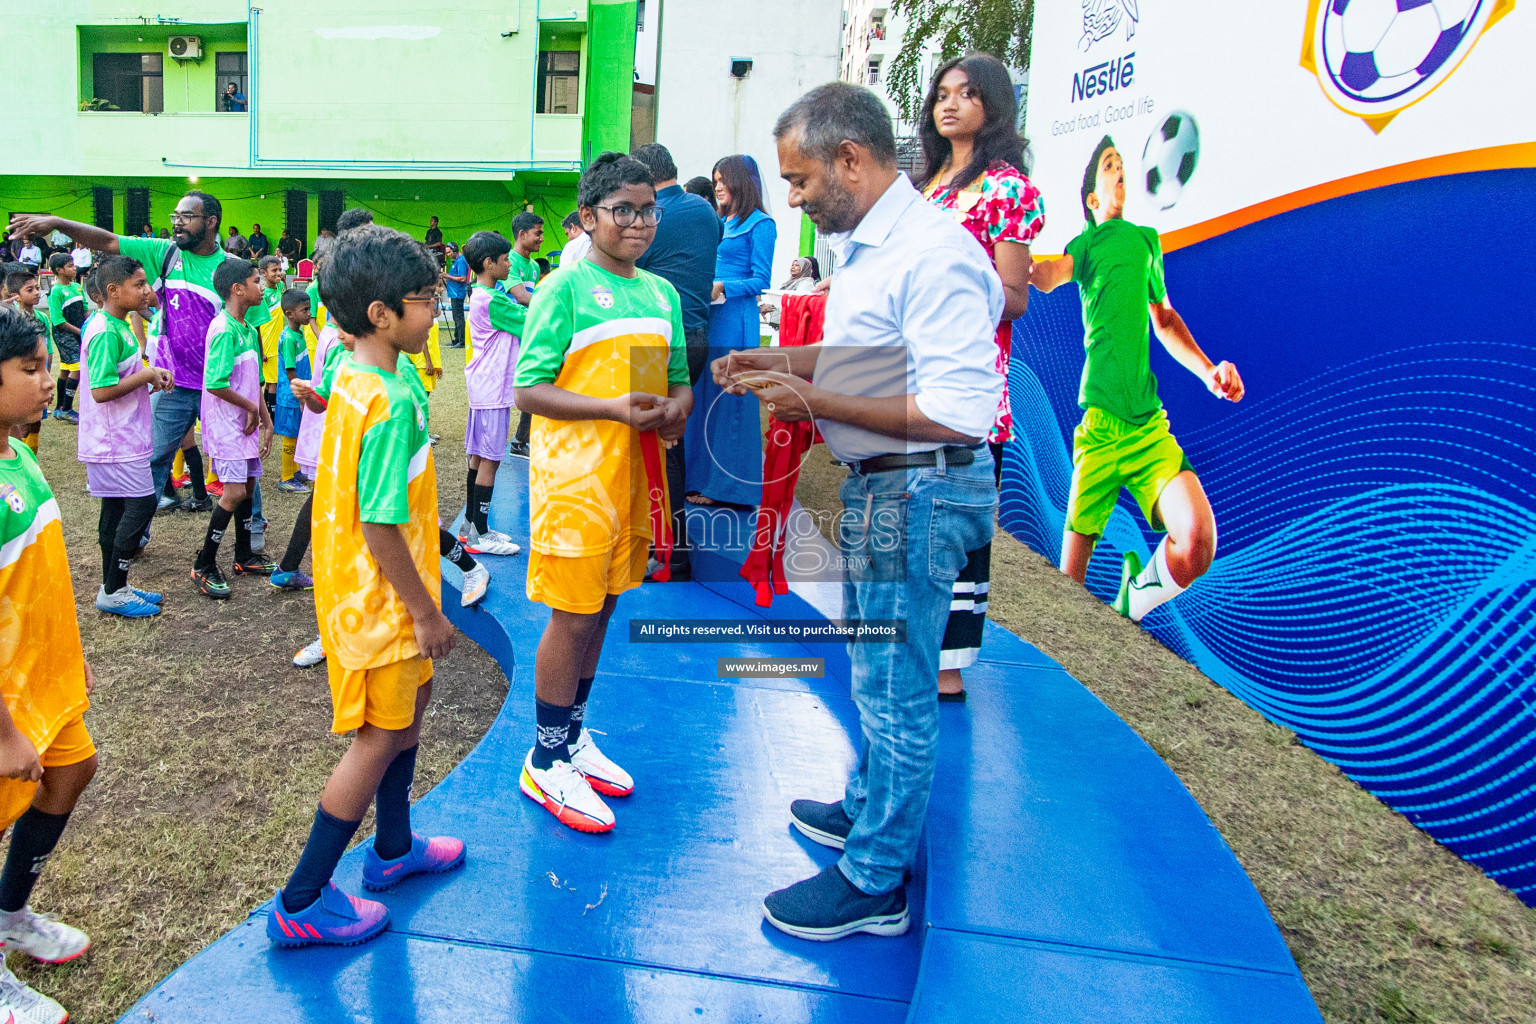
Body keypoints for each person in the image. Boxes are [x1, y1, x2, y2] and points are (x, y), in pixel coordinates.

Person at [724, 82, 1004, 941]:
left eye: (802, 179)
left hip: (920, 485)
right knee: (874, 667)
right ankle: (866, 806)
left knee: (894, 689)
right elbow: (865, 356)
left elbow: (959, 409)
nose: (795, 197)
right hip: (889, 484)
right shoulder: (876, 246)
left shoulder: (936, 254)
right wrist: (781, 356)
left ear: (851, 158)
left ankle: (876, 879)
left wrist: (812, 399)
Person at [266, 224, 465, 949]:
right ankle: (303, 896)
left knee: (408, 713)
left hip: (357, 593)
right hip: (385, 605)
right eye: (423, 299)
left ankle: (393, 849)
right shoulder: (391, 401)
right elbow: (382, 525)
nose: (434, 311)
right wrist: (426, 612)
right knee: (379, 739)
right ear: (381, 314)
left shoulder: (357, 374)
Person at [512, 151, 691, 833]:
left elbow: (668, 382)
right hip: (574, 483)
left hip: (633, 480)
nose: (641, 223)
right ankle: (544, 757)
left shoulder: (659, 294)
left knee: (607, 607)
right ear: (588, 217)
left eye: (649, 210)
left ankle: (574, 738)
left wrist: (677, 407)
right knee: (574, 615)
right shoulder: (566, 287)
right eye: (624, 211)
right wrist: (615, 410)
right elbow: (530, 388)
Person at [1031, 136, 1243, 623]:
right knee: (1068, 594)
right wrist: (1017, 253)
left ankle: (1136, 597)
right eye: (1110, 165)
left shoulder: (1146, 240)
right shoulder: (1086, 246)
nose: (1119, 169)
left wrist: (1210, 371)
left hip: (1149, 430)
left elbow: (1164, 320)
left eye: (1121, 163)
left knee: (1197, 543)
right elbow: (1049, 275)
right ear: (1092, 199)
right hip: (1100, 432)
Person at [8, 190, 264, 552]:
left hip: (220, 388)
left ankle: (252, 532)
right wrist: (56, 223)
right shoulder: (166, 253)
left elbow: (253, 343)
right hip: (173, 385)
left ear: (211, 222)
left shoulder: (234, 272)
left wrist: (257, 396)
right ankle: (134, 537)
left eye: (187, 216)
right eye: (175, 215)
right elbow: (109, 241)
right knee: (155, 459)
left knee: (244, 460)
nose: (177, 222)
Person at [915, 53, 1046, 701]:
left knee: (959, 529)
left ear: (992, 105)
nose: (951, 104)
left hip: (970, 390)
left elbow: (1015, 297)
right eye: (942, 93)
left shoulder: (1006, 188)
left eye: (967, 94)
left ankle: (949, 662)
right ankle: (903, 640)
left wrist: (948, 285)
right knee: (907, 518)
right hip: (907, 383)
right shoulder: (924, 186)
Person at [0, 307, 100, 1024]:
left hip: (45, 680)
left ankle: (11, 912)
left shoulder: (19, 450)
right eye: (30, 370)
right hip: (5, 703)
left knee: (74, 768)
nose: (49, 380)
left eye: (47, 366)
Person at [632, 141, 722, 581]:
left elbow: (627, 260)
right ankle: (669, 545)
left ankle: (669, 551)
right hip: (697, 332)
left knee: (659, 444)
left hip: (660, 338)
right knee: (671, 439)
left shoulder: (656, 218)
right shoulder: (704, 210)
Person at [79, 256, 175, 618]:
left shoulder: (115, 325)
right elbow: (102, 391)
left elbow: (118, 379)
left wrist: (144, 378)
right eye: (138, 284)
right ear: (113, 291)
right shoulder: (105, 330)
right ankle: (115, 589)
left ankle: (113, 586)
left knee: (117, 508)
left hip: (121, 435)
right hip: (113, 440)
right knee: (141, 505)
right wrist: (147, 376)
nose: (147, 290)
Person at [683, 153, 772, 508]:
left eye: (723, 180)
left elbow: (760, 279)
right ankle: (701, 479)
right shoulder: (722, 222)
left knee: (730, 401)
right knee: (704, 398)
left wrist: (723, 287)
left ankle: (729, 488)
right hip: (711, 316)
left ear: (741, 182)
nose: (718, 187)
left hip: (735, 317)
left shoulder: (761, 224)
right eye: (715, 180)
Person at [190, 260, 277, 599]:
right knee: (235, 492)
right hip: (228, 424)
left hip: (247, 422)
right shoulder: (223, 329)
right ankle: (203, 563)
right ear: (238, 289)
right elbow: (215, 383)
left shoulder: (245, 328)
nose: (262, 287)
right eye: (257, 281)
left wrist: (265, 419)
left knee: (250, 483)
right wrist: (251, 409)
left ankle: (244, 555)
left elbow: (254, 380)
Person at [459, 224, 534, 555]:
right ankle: (480, 535)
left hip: (483, 387)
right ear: (489, 264)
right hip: (492, 389)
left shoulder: (483, 295)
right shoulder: (493, 301)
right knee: (490, 460)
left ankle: (471, 526)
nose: (509, 264)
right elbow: (531, 318)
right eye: (505, 259)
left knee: (478, 458)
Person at [6, 266, 52, 453]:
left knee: (36, 422)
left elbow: (48, 351)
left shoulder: (41, 317)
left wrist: (46, 376)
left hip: (39, 377)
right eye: (30, 289)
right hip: (22, 380)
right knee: (21, 423)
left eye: (37, 288)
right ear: (15, 295)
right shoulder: (11, 319)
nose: (36, 293)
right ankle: (19, 456)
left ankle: (32, 458)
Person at [272, 288, 312, 494]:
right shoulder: (288, 338)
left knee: (296, 432)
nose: (309, 314)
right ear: (290, 314)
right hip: (291, 395)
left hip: (298, 392)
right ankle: (286, 477)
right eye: (304, 310)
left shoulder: (298, 333)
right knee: (291, 433)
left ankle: (295, 471)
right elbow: (290, 370)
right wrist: (300, 396)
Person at [45, 255, 85, 424]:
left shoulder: (77, 287)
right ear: (59, 270)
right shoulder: (56, 291)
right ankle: (67, 409)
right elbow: (58, 321)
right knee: (77, 367)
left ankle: (58, 408)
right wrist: (79, 331)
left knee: (65, 369)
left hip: (77, 332)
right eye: (70, 266)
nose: (74, 268)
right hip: (64, 334)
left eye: (74, 265)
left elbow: (83, 311)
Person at [443, 242, 469, 348]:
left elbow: (463, 278)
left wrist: (448, 276)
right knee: (456, 317)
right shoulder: (457, 261)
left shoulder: (461, 261)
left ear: (455, 250)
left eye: (449, 252)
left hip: (458, 293)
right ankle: (457, 339)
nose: (448, 255)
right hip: (454, 293)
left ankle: (461, 341)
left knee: (458, 317)